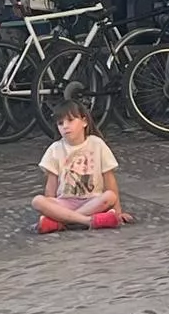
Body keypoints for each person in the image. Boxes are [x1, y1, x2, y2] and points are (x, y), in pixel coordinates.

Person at [30, 100, 133, 233]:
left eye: (70, 120)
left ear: (84, 122)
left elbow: (109, 178)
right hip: (65, 202)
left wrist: (118, 212)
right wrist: (48, 211)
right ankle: (87, 221)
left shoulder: (97, 144)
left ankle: (62, 222)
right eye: (60, 123)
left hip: (92, 201)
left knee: (110, 196)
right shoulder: (55, 149)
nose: (65, 126)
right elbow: (51, 185)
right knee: (37, 201)